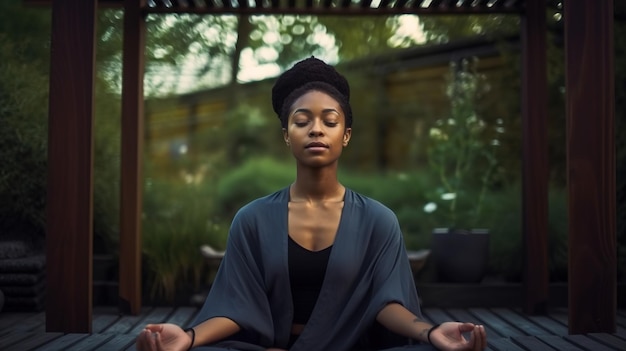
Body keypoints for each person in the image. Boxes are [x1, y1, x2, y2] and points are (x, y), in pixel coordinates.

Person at [136, 57, 487, 351]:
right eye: (302, 121)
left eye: (330, 121)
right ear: (287, 135)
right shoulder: (253, 219)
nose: (316, 130)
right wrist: (189, 337)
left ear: (345, 134)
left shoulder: (378, 220)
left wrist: (430, 331)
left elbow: (387, 302)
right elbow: (236, 304)